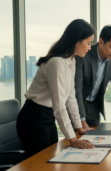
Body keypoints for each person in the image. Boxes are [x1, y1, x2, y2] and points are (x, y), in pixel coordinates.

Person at [17, 19, 95, 158]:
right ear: (77, 40)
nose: (89, 48)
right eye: (88, 43)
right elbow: (59, 105)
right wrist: (73, 139)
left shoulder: (71, 61)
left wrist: (79, 127)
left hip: (48, 116)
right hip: (34, 117)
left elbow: (71, 98)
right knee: (42, 163)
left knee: (53, 159)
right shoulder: (57, 63)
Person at [75, 25, 111, 128]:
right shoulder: (83, 54)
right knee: (75, 141)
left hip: (94, 108)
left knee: (94, 142)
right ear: (101, 41)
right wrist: (82, 121)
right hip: (76, 107)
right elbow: (77, 89)